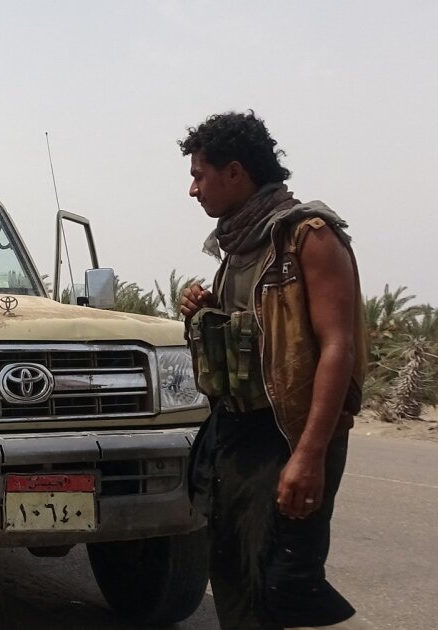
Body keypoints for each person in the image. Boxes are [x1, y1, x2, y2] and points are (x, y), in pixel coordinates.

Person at [178, 111, 368, 629]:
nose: (193, 190)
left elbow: (338, 347)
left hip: (287, 434)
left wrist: (309, 455)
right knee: (233, 575)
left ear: (234, 172)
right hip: (238, 432)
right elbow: (258, 337)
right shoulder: (239, 247)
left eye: (199, 175)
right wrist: (205, 310)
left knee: (275, 586)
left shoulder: (308, 236)